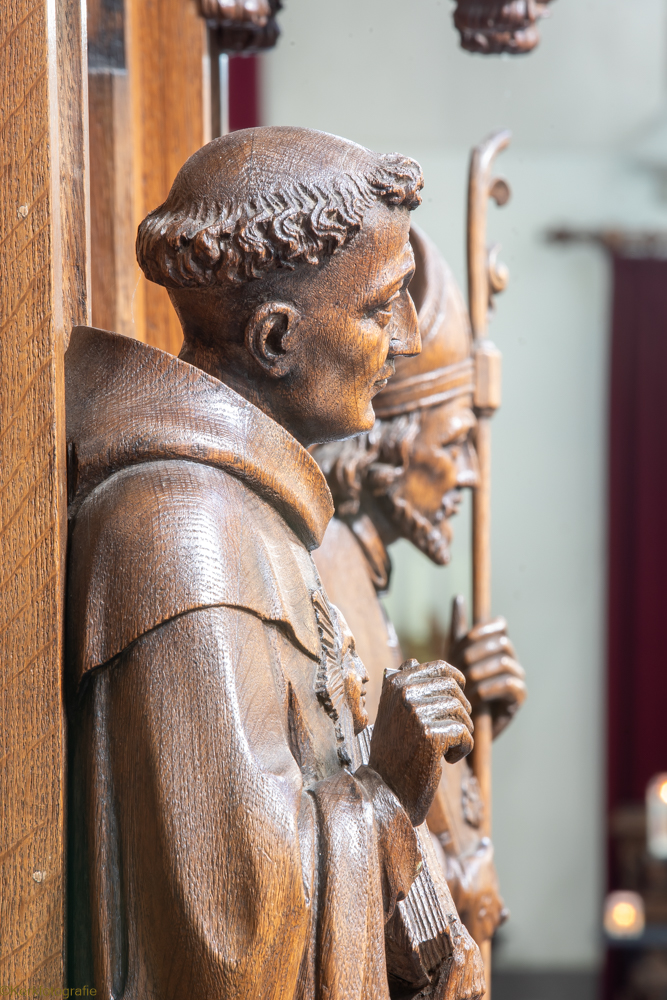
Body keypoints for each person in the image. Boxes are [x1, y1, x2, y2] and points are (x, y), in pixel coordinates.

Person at [66, 128, 484, 999]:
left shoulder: (248, 513)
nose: (405, 339)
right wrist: (387, 788)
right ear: (276, 337)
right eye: (380, 308)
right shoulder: (182, 534)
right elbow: (229, 938)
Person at [314, 225, 527, 947]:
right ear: (388, 448)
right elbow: (354, 804)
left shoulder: (361, 571)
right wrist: (454, 875)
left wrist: (468, 717)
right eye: (454, 443)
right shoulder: (330, 565)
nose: (469, 475)